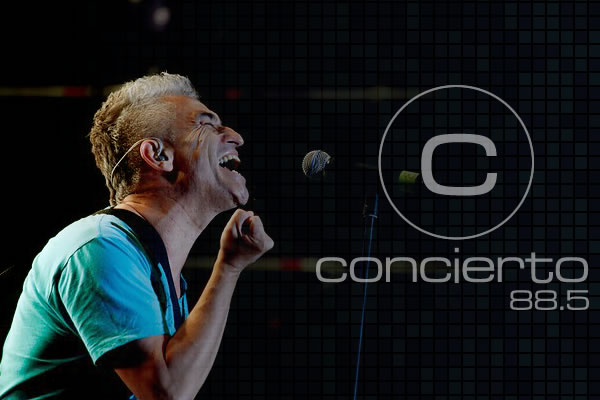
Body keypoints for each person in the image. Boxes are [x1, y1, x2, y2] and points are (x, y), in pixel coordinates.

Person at [0, 72, 274, 399]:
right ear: (158, 155)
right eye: (206, 124)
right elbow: (168, 394)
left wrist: (230, 265)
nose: (236, 137)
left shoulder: (149, 266)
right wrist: (228, 269)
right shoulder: (100, 247)